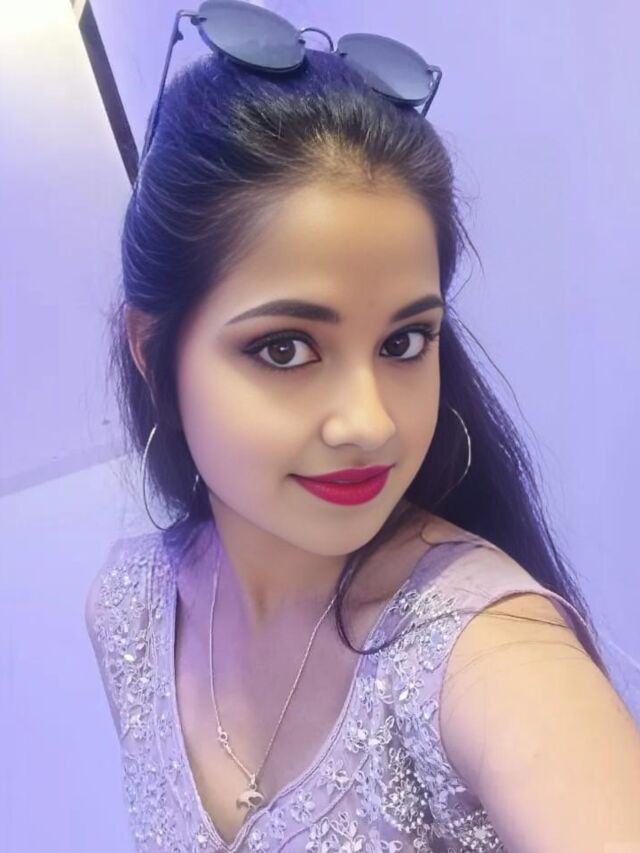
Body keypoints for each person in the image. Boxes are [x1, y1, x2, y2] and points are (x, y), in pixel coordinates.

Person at [85, 9, 640, 852]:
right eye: (285, 347)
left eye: (404, 341)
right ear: (152, 348)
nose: (371, 422)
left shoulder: (479, 644)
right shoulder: (131, 610)